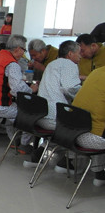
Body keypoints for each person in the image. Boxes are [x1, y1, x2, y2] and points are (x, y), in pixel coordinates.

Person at [25, 40, 82, 169]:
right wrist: (84, 92)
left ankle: (40, 151)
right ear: (70, 54)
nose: (80, 56)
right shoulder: (69, 64)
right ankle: (67, 162)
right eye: (78, 53)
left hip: (41, 115)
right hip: (56, 117)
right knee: (80, 128)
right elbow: (69, 88)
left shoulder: (52, 64)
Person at [0, 34, 38, 152]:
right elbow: (17, 90)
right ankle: (24, 145)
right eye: (24, 50)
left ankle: (13, 140)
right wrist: (31, 89)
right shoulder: (11, 64)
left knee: (14, 108)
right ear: (18, 49)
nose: (23, 54)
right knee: (30, 114)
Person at [71, 65, 105, 185]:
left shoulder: (96, 72)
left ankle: (99, 173)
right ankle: (99, 173)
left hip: (70, 132)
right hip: (90, 138)